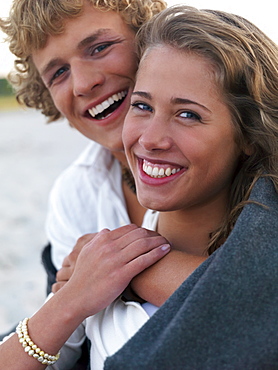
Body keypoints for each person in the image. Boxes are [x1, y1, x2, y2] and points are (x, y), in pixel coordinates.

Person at [0, 3, 277, 369]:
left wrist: (128, 271)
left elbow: (257, 304)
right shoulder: (76, 195)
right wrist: (78, 294)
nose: (84, 82)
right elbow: (66, 338)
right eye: (59, 72)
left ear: (143, 38)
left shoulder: (262, 199)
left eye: (99, 48)